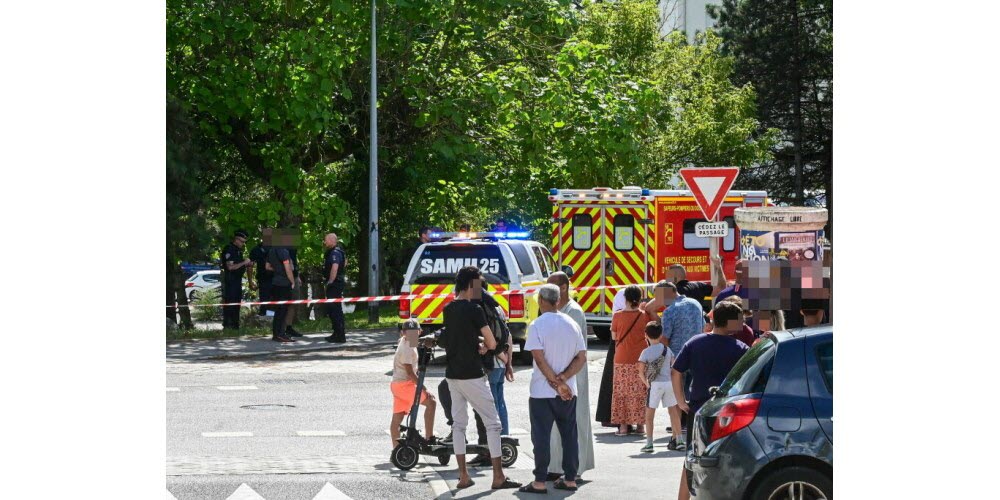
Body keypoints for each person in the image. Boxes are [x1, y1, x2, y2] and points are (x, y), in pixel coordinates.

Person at [436, 266, 520, 490]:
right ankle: (498, 476)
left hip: (452, 374)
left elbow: (456, 337)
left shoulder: (448, 309)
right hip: (472, 374)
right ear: (471, 284)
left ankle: (463, 476)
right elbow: (492, 343)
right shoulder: (475, 310)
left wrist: (476, 344)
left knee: (459, 425)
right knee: (493, 424)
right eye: (478, 283)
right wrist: (484, 346)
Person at [672, 301, 750, 500]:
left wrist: (681, 401)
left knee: (692, 458)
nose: (743, 323)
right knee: (728, 460)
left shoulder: (695, 343)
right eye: (740, 320)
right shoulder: (741, 348)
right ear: (731, 322)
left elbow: (676, 371)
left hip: (699, 410)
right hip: (729, 414)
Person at [519, 284, 588, 494]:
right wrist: (564, 379)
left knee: (541, 437)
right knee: (569, 435)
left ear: (540, 300)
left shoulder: (537, 325)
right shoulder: (572, 324)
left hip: (542, 392)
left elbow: (539, 359)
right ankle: (570, 479)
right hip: (569, 391)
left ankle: (539, 481)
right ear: (558, 300)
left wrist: (555, 383)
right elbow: (581, 357)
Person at [545, 272, 595, 480]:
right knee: (557, 423)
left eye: (552, 287)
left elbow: (568, 347)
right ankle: (556, 466)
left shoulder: (573, 311)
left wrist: (562, 376)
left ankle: (574, 468)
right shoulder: (556, 310)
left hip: (570, 374)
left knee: (574, 420)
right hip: (558, 374)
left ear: (564, 287)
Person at [610, 285, 654, 436]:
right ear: (640, 298)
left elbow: (614, 337)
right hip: (641, 358)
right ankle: (640, 426)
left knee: (621, 392)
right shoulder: (644, 316)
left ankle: (623, 427)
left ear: (625, 298)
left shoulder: (617, 316)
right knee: (641, 392)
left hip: (622, 357)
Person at [637, 320, 683, 453]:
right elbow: (674, 367)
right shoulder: (667, 350)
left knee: (650, 415)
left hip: (655, 385)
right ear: (661, 334)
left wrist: (647, 383)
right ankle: (679, 440)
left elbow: (640, 371)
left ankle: (650, 443)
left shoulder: (645, 352)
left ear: (646, 335)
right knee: (673, 412)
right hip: (668, 383)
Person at [389, 319, 436, 447]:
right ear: (403, 333)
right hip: (405, 385)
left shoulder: (406, 342)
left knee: (397, 419)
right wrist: (424, 388)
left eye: (414, 332)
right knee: (431, 402)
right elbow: (410, 373)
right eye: (410, 333)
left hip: (397, 384)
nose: (412, 335)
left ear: (419, 332)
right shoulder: (407, 348)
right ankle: (429, 438)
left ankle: (397, 450)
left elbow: (416, 343)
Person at [596, 286, 630, 429]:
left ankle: (611, 417)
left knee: (613, 378)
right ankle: (615, 417)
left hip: (618, 339)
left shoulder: (622, 294)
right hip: (621, 340)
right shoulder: (624, 296)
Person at [265, 241, 296, 343]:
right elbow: (288, 268)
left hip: (275, 282)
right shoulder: (283, 251)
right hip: (284, 283)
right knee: (283, 310)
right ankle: (280, 334)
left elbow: (267, 267)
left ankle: (277, 333)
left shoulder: (271, 250)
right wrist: (292, 281)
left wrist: (278, 269)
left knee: (279, 310)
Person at [220, 230, 252, 329]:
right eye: (242, 242)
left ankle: (235, 325)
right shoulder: (230, 249)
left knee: (236, 303)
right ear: (236, 240)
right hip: (230, 281)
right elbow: (230, 267)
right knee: (231, 303)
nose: (243, 244)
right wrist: (244, 262)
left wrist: (246, 264)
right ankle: (229, 325)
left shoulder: (238, 250)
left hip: (237, 281)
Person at [323, 233, 347, 343]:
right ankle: (337, 333)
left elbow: (335, 267)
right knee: (334, 309)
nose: (325, 242)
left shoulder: (335, 252)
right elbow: (345, 262)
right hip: (337, 282)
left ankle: (340, 335)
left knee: (334, 310)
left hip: (335, 283)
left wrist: (331, 281)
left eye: (326, 240)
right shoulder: (339, 251)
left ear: (332, 240)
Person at [248, 228, 272, 316]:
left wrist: (250, 281)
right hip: (264, 279)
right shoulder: (257, 250)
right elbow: (250, 265)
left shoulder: (278, 248)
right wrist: (250, 281)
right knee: (265, 302)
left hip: (276, 279)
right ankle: (264, 319)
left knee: (274, 302)